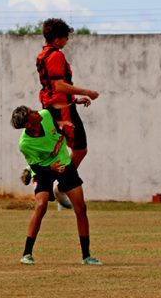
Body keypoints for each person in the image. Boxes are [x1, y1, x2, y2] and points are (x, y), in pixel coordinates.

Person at [22, 18, 100, 209]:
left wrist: (74, 99)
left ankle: (35, 171)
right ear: (57, 39)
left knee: (58, 144)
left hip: (52, 107)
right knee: (80, 149)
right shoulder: (56, 55)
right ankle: (62, 185)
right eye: (65, 37)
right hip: (62, 110)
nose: (67, 40)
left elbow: (51, 88)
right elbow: (58, 85)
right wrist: (86, 92)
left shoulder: (43, 55)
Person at [11, 105, 101, 266]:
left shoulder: (45, 115)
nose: (35, 111)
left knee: (81, 208)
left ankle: (86, 256)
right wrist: (50, 169)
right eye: (31, 113)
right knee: (41, 205)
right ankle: (27, 254)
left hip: (64, 164)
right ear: (28, 124)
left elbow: (61, 107)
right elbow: (36, 167)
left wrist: (75, 102)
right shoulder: (25, 144)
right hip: (43, 170)